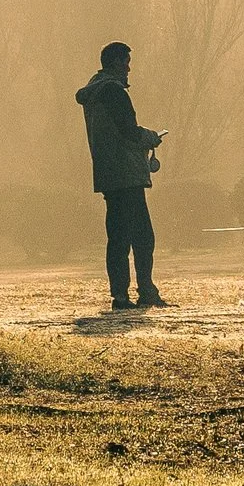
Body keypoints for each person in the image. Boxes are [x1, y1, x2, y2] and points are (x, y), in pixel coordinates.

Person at [76, 40, 166, 310]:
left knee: (117, 236)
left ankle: (120, 294)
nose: (129, 68)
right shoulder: (114, 92)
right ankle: (146, 292)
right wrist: (151, 138)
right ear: (116, 62)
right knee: (143, 236)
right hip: (126, 173)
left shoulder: (94, 91)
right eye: (126, 62)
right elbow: (129, 131)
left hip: (108, 174)